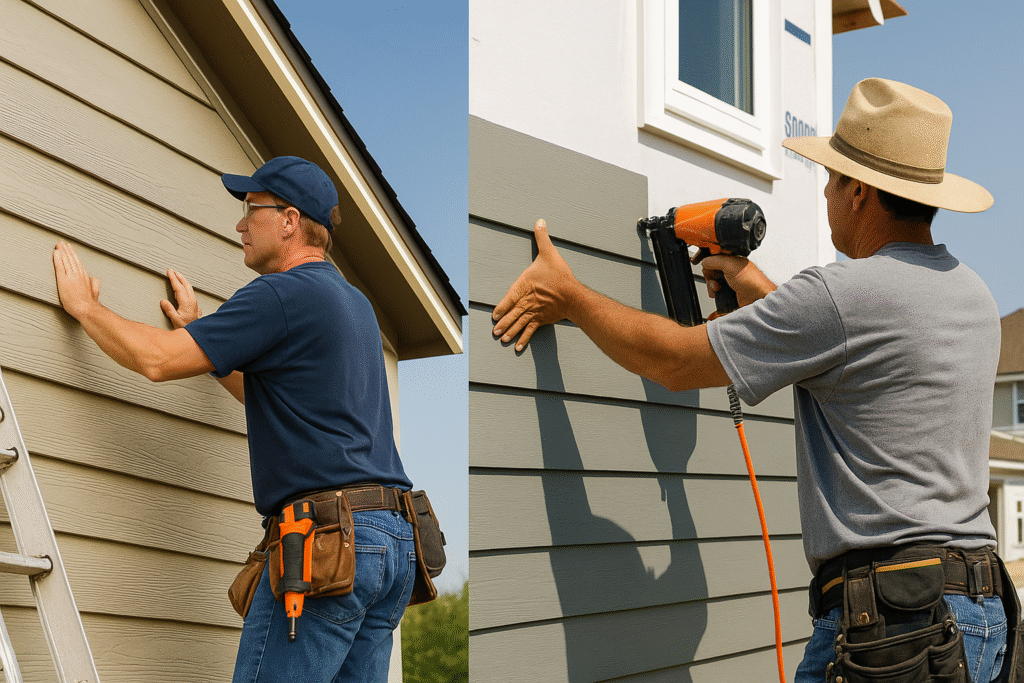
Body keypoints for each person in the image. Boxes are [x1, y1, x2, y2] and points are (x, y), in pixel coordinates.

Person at [492, 79, 1014, 682]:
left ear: (860, 192)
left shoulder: (840, 296)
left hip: (892, 625)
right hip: (977, 612)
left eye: (832, 178)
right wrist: (768, 299)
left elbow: (677, 364)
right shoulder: (972, 295)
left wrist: (570, 295)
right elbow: (872, 365)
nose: (824, 190)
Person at [53, 156, 416, 682]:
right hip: (392, 541)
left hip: (330, 542)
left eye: (252, 210)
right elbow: (281, 399)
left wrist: (86, 308)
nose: (240, 225)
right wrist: (207, 341)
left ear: (290, 221)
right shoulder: (353, 304)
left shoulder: (283, 294)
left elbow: (156, 360)